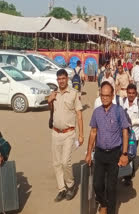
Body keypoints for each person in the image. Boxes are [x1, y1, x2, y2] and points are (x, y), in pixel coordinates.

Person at [85, 81, 130, 214]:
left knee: (111, 187)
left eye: (107, 95)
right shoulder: (96, 112)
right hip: (99, 153)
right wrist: (88, 153)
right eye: (102, 95)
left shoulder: (119, 111)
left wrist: (124, 153)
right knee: (97, 185)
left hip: (114, 154)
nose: (104, 98)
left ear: (112, 96)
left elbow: (125, 132)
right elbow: (93, 132)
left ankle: (110, 211)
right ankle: (103, 204)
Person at [47, 69, 84, 202]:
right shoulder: (54, 94)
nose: (61, 81)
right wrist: (49, 101)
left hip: (69, 132)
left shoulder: (74, 94)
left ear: (67, 78)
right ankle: (61, 189)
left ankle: (71, 185)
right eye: (59, 79)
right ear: (57, 80)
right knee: (57, 163)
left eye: (63, 78)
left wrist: (81, 135)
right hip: (56, 132)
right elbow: (51, 111)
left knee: (65, 162)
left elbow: (79, 115)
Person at [119, 84, 139, 185]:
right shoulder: (122, 102)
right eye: (129, 93)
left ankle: (128, 176)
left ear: (136, 93)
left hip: (134, 135)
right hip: (123, 133)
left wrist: (133, 121)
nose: (131, 95)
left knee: (130, 154)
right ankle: (123, 172)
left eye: (133, 93)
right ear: (127, 93)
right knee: (123, 152)